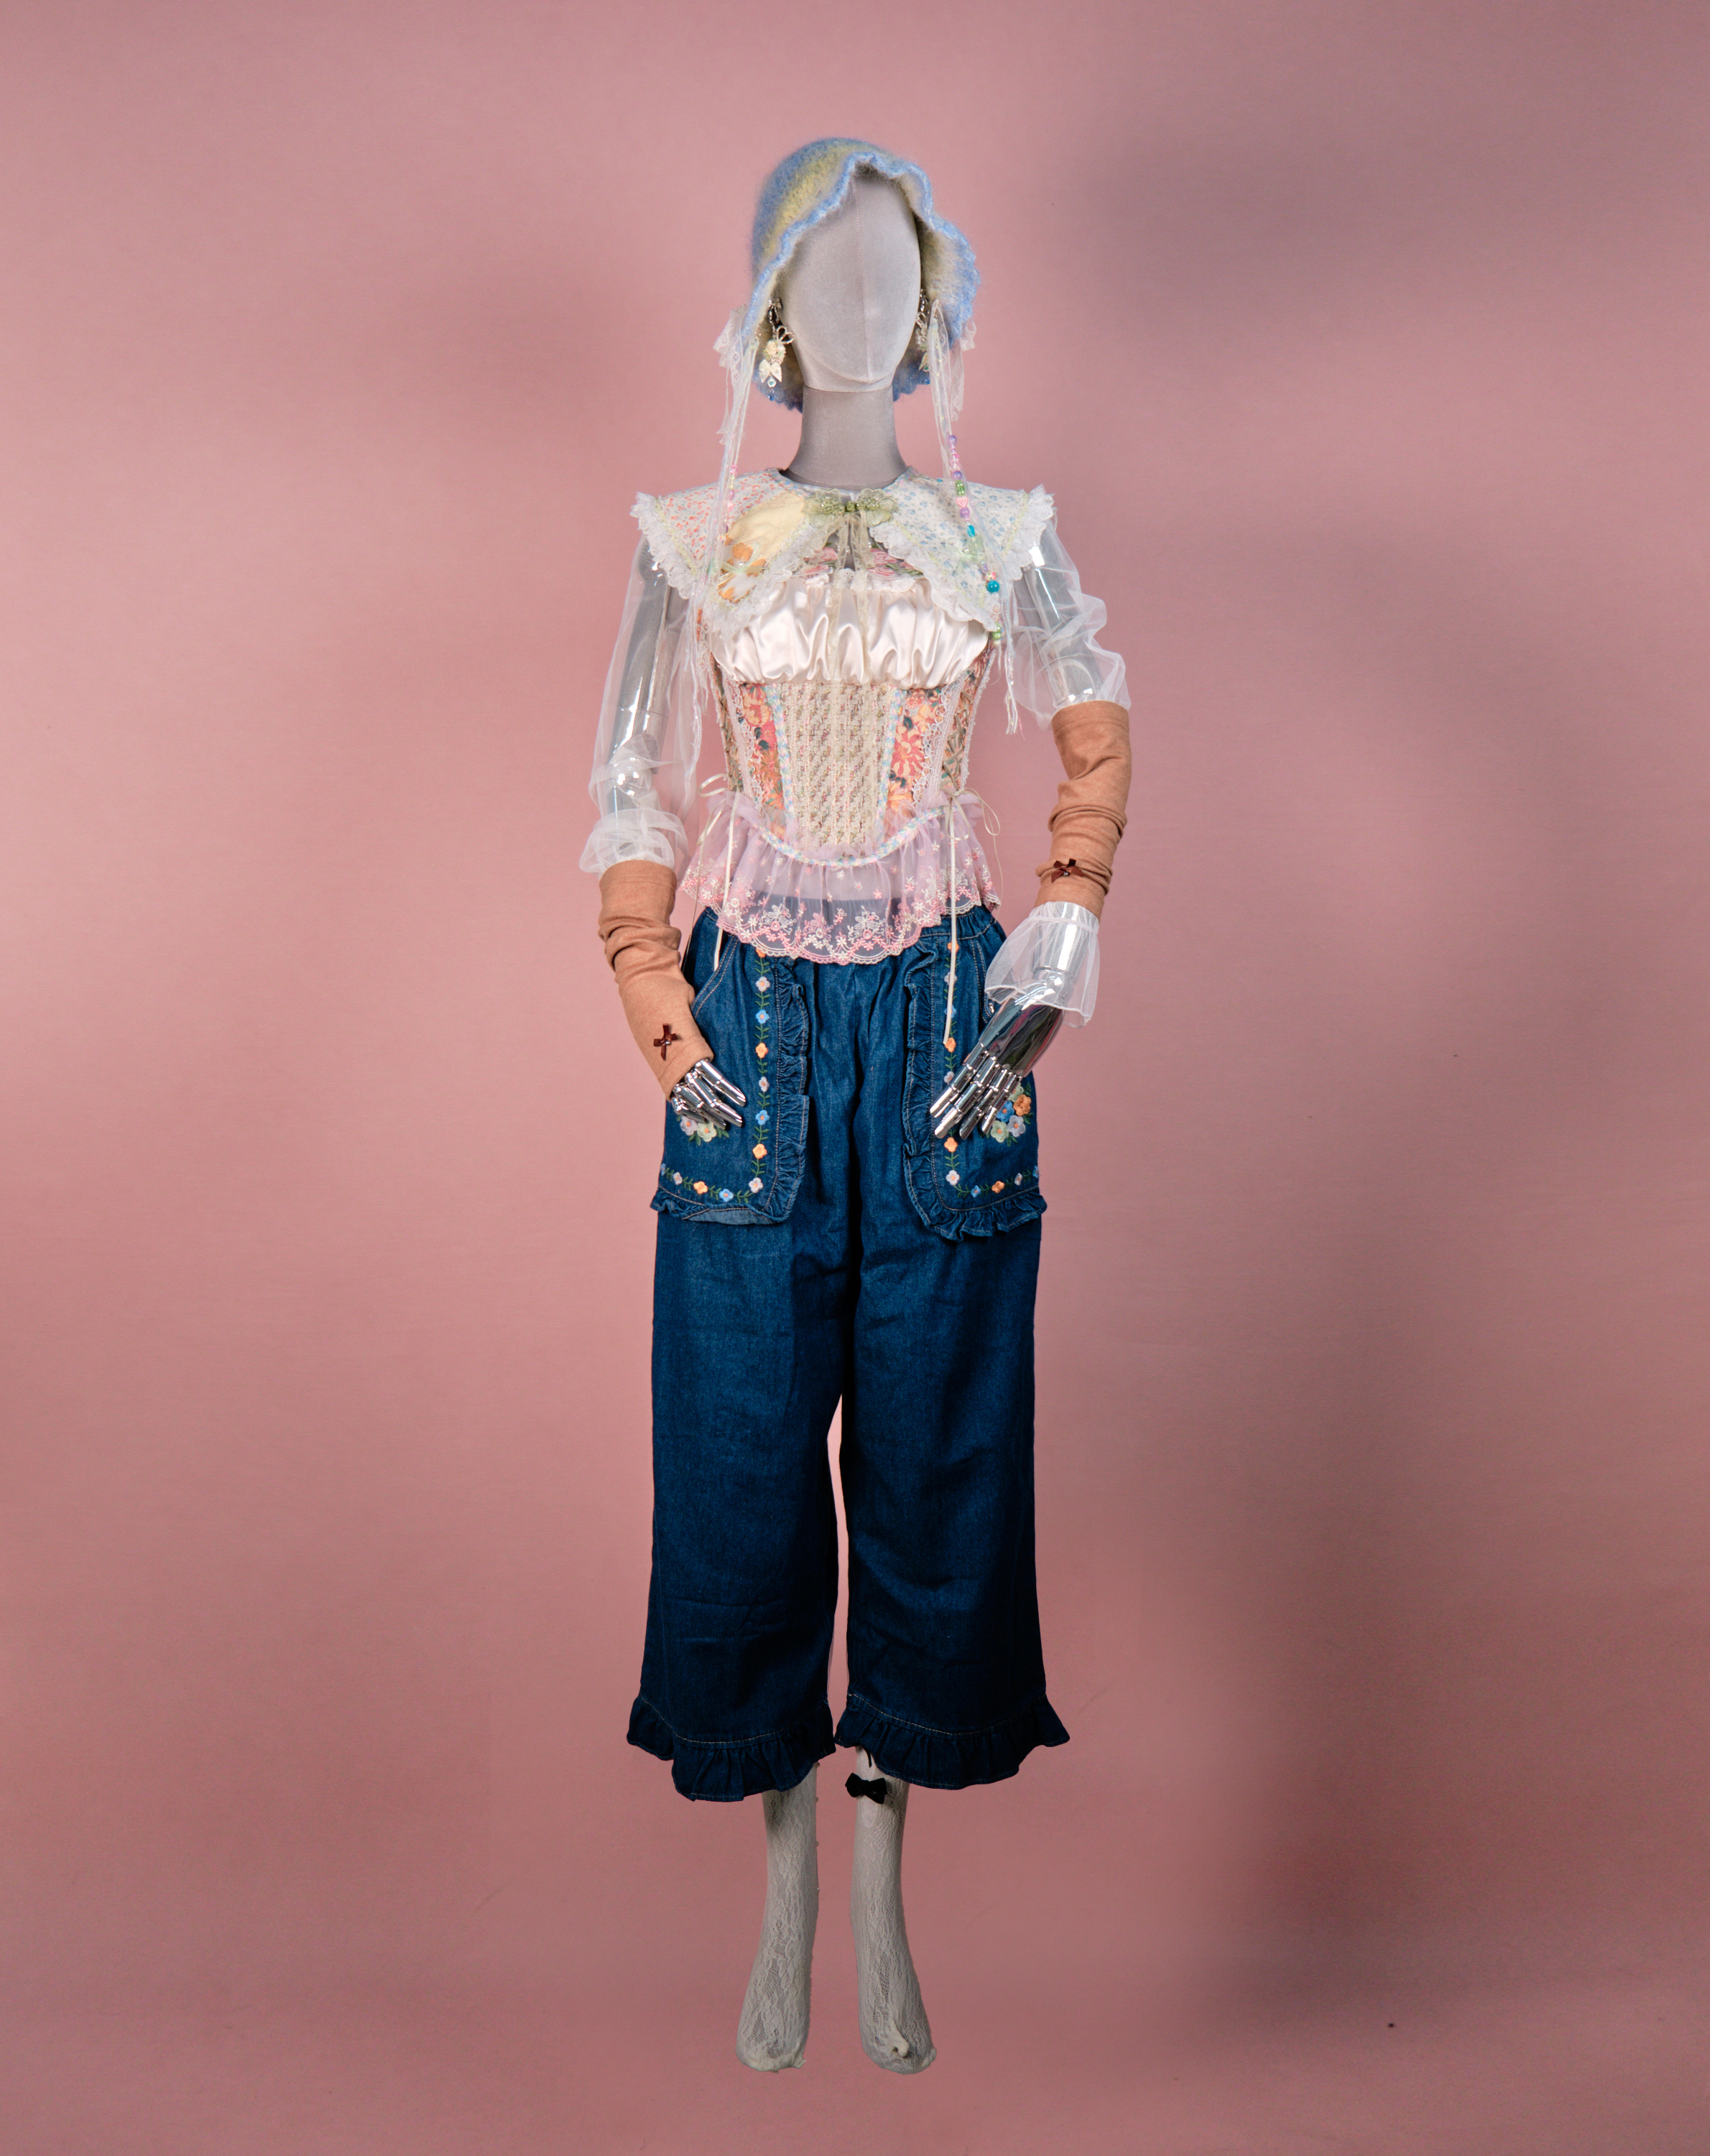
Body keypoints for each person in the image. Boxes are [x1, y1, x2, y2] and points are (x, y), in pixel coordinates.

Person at [583, 138, 1132, 2074]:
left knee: (938, 1451)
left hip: (947, 1019)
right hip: (746, 1018)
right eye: (825, 272)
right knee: (739, 1468)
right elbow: (633, 786)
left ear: (936, 309)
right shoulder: (692, 539)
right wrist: (657, 1007)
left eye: (895, 273)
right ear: (767, 305)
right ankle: (787, 1888)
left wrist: (1064, 923)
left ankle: (888, 1892)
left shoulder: (996, 533)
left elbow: (1092, 718)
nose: (862, 305)